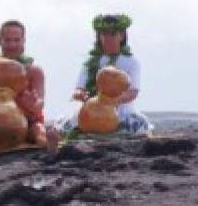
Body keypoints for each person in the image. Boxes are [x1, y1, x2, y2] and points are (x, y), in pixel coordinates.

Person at [47, 13, 153, 149]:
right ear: (99, 36)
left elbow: (132, 92)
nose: (108, 38)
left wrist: (111, 101)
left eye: (113, 34)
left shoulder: (132, 62)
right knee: (64, 124)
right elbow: (79, 88)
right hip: (91, 111)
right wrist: (80, 94)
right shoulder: (91, 62)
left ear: (122, 36)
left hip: (121, 111)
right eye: (104, 34)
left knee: (139, 125)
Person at [0, 19, 48, 146]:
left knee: (39, 132)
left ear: (23, 41)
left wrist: (33, 105)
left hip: (28, 124)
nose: (12, 45)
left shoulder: (34, 71)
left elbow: (40, 102)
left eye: (16, 40)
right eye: (7, 40)